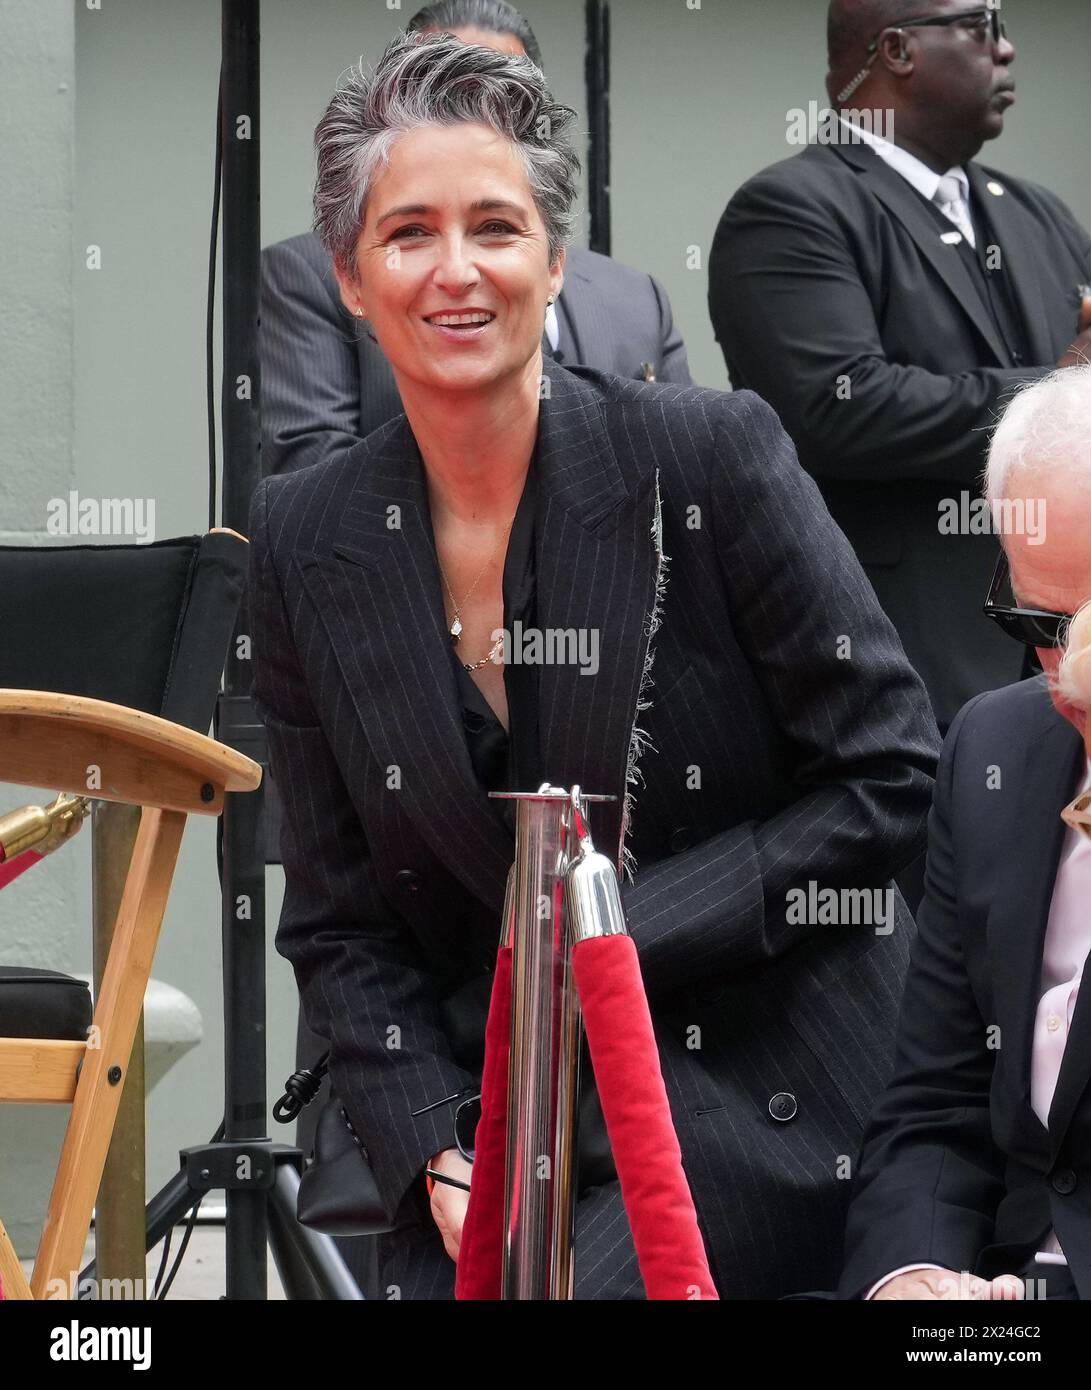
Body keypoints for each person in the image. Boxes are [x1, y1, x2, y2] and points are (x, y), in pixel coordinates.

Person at [249, 31, 939, 1300]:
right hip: (491, 1126)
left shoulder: (709, 455)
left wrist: (600, 941)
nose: (456, 272)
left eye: (496, 228)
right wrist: (431, 1152)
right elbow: (339, 925)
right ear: (348, 277)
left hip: (747, 1091)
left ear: (555, 262)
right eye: (407, 234)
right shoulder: (303, 536)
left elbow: (889, 780)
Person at [709, 0, 1091, 732]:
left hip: (1062, 632)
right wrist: (1056, 400)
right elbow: (836, 409)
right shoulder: (792, 207)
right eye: (982, 26)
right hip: (898, 645)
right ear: (895, 50)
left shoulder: (1036, 212)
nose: (1006, 51)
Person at [838, 366, 1091, 1301]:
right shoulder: (994, 748)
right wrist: (908, 1278)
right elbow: (936, 1106)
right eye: (1039, 623)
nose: (1071, 678)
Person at [260, 0, 692, 477]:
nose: (457, 272)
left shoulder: (638, 301)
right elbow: (314, 489)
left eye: (499, 93)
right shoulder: (306, 274)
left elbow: (682, 481)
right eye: (412, 232)